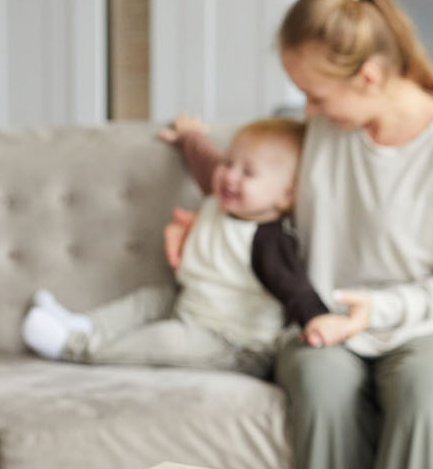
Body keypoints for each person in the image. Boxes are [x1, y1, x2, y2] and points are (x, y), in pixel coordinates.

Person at [169, 0, 433, 469]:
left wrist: (380, 309)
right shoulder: (328, 132)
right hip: (328, 322)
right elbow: (251, 183)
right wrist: (202, 200)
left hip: (430, 328)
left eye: (315, 95)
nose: (307, 112)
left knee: (422, 393)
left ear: (369, 77)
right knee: (317, 378)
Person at [21, 118, 343, 376]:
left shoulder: (269, 240)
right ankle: (84, 323)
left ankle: (74, 346)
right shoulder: (221, 198)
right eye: (229, 162)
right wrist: (190, 137)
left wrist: (319, 320)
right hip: (190, 305)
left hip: (232, 344)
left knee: (165, 339)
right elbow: (206, 163)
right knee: (150, 299)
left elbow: (296, 289)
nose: (230, 176)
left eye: (248, 172)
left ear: (286, 195)